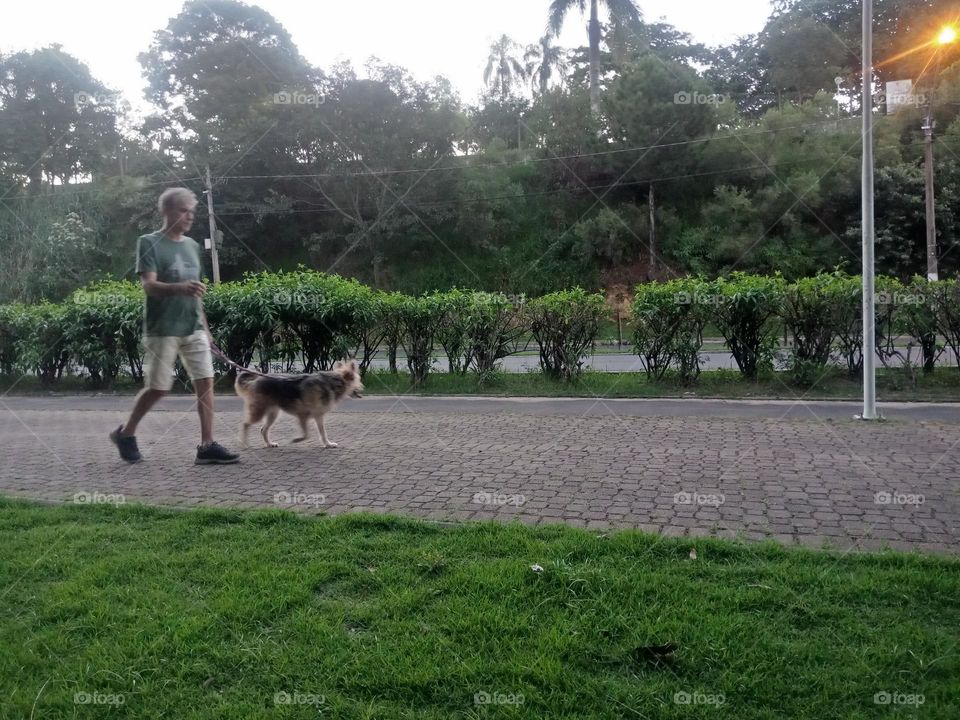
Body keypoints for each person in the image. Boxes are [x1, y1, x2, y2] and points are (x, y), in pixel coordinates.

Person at [109, 187, 240, 465]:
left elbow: (196, 293)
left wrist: (206, 328)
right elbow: (149, 285)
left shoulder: (192, 246)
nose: (190, 216)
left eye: (192, 211)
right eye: (183, 210)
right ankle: (126, 434)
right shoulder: (148, 242)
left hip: (193, 327)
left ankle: (207, 446)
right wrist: (180, 287)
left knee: (205, 382)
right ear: (166, 211)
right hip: (162, 328)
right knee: (159, 388)